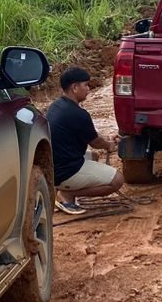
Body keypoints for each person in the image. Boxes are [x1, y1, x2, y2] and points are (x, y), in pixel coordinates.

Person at [48, 66, 124, 214]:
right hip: (65, 171)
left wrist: (108, 139)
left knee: (93, 157)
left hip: (54, 167)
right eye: (86, 85)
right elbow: (95, 142)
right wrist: (109, 145)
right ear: (74, 87)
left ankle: (63, 189)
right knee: (117, 180)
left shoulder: (56, 106)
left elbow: (88, 134)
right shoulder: (78, 114)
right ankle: (67, 195)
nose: (88, 88)